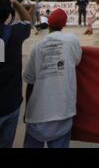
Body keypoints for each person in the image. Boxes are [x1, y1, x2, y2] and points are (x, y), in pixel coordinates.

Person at [23, 8, 82, 148]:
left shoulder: (37, 47)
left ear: (48, 24)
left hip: (37, 114)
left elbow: (30, 81)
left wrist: (27, 110)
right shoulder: (72, 40)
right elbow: (77, 60)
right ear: (64, 25)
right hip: (62, 112)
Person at [0, 0, 31, 148]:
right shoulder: (15, 33)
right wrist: (17, 3)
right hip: (10, 103)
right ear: (9, 14)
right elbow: (28, 22)